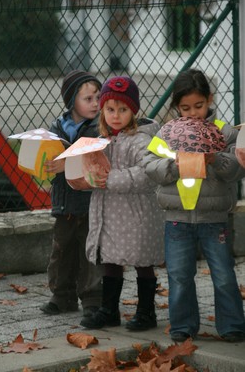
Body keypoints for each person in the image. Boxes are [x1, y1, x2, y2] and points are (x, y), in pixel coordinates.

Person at [143, 69, 245, 342]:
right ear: (176, 106)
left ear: (209, 99)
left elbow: (237, 169)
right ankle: (183, 327)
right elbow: (149, 164)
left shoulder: (224, 131)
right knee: (179, 275)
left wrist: (217, 160)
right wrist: (172, 166)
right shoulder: (167, 132)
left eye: (199, 106)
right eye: (185, 108)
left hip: (215, 218)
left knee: (223, 274)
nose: (193, 113)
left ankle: (233, 325)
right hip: (176, 219)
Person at [80, 76, 164, 331]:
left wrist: (111, 179)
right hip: (109, 214)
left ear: (134, 111)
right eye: (110, 109)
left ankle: (146, 312)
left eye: (123, 109)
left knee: (142, 261)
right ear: (103, 111)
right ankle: (109, 310)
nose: (116, 115)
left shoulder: (141, 140)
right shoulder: (102, 140)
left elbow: (147, 174)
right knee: (111, 260)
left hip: (137, 214)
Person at [40, 70, 103, 317]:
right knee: (61, 251)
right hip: (64, 203)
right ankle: (62, 296)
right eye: (88, 99)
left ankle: (92, 300)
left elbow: (97, 161)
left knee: (89, 253)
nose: (96, 104)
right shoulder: (57, 128)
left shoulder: (98, 128)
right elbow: (50, 159)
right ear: (71, 101)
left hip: (89, 203)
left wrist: (67, 163)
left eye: (97, 97)